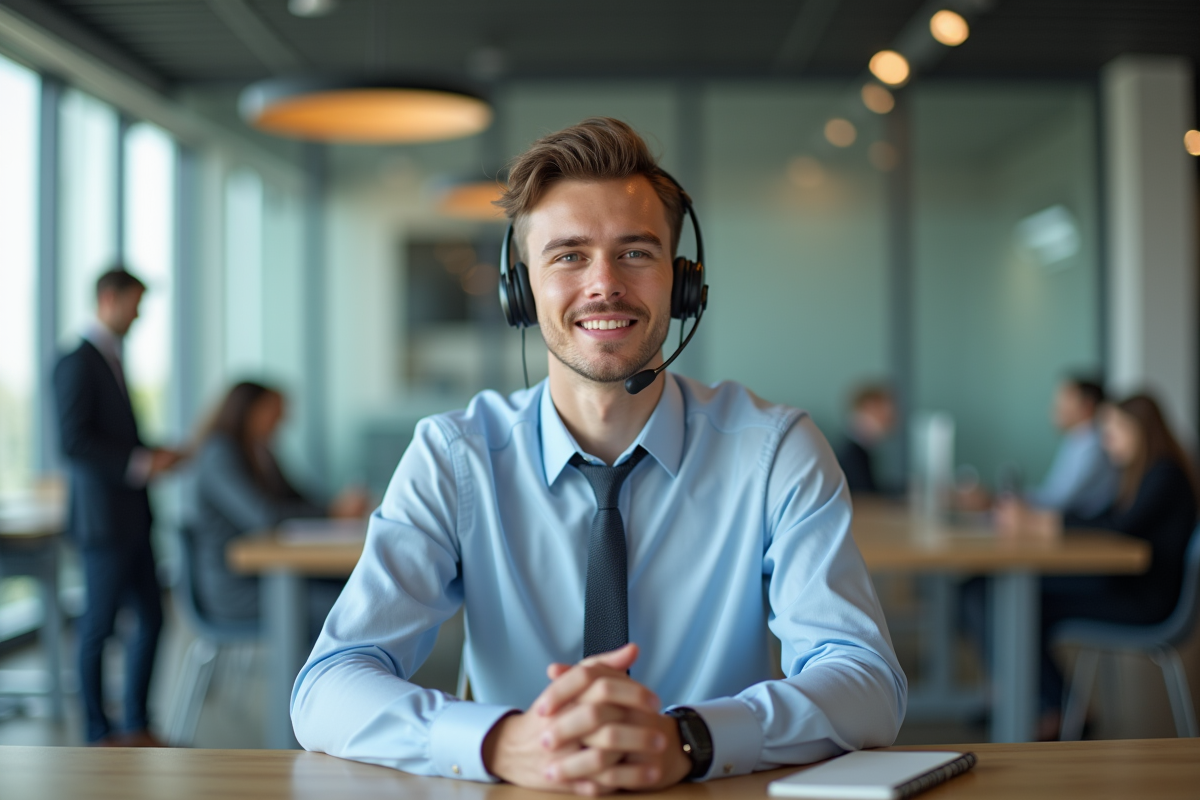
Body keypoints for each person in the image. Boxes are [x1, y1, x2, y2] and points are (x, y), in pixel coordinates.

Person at [291, 118, 905, 793]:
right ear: (521, 290)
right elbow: (328, 685)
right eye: (569, 255)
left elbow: (867, 680)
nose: (604, 284)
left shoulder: (775, 449)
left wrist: (692, 738)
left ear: (683, 283)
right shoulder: (455, 456)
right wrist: (500, 742)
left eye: (636, 252)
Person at [996, 393, 1198, 739]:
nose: (1107, 441)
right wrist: (1047, 520)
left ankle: (1058, 706)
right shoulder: (1140, 472)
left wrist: (1042, 523)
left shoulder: (1165, 474)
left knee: (1029, 606)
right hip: (1128, 586)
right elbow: (1105, 517)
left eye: (1114, 431)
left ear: (1140, 430)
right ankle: (1047, 703)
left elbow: (1120, 528)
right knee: (1020, 599)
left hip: (1148, 602)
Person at [53, 268, 184, 746]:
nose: (139, 314)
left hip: (132, 518)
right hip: (102, 522)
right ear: (109, 298)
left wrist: (152, 455)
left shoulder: (112, 359)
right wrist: (138, 462)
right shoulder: (76, 361)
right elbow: (74, 441)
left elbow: (116, 438)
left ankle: (136, 724)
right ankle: (96, 732)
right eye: (135, 303)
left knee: (152, 618)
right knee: (98, 627)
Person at [184, 381, 367, 629]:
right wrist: (332, 512)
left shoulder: (260, 451)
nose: (283, 420)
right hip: (237, 586)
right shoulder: (220, 454)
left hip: (267, 574)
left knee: (357, 587)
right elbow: (265, 516)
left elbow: (295, 498)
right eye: (276, 411)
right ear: (250, 410)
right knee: (345, 604)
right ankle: (321, 667)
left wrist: (335, 508)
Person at [835, 383, 897, 495]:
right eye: (883, 409)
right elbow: (867, 497)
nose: (890, 416)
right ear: (869, 407)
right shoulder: (852, 454)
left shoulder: (860, 450)